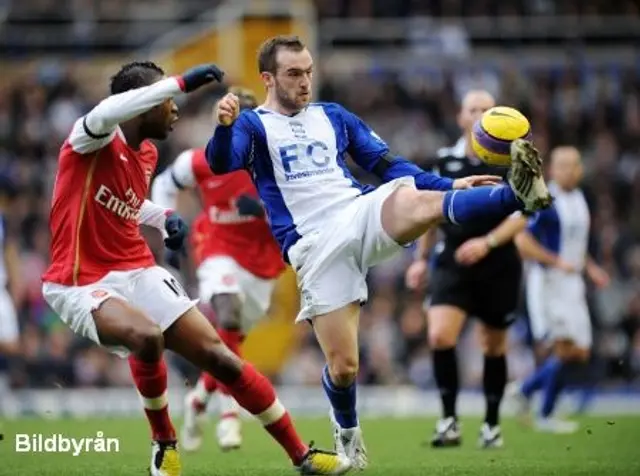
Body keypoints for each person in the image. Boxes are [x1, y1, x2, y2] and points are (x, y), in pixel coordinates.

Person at [205, 35, 552, 469]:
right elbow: (221, 161)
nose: (305, 81)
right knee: (345, 366)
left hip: (358, 210)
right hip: (313, 244)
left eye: (309, 71)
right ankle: (347, 432)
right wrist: (222, 127)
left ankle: (517, 197)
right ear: (268, 79)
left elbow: (387, 165)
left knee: (408, 197)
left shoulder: (333, 116)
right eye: (294, 74)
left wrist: (447, 184)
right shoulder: (252, 125)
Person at [40, 61, 351, 476]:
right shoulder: (90, 135)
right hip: (78, 281)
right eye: (167, 101)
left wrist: (162, 217)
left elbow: (127, 203)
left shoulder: (148, 152)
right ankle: (164, 444)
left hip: (137, 268)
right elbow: (109, 112)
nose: (174, 110)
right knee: (147, 336)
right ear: (139, 105)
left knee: (222, 359)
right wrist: (184, 82)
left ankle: (301, 456)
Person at [151, 87, 286, 452]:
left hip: (262, 264)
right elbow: (164, 183)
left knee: (230, 343)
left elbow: (303, 209)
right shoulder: (201, 161)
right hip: (216, 250)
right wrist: (170, 230)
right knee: (227, 311)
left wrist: (263, 211)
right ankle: (230, 414)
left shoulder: (274, 163)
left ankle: (198, 400)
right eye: (228, 122)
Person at [405, 90, 528, 449]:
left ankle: (491, 424)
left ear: (499, 116)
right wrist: (420, 260)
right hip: (453, 257)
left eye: (487, 109)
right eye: (472, 109)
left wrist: (487, 243)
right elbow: (429, 212)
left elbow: (525, 215)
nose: (479, 115)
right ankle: (449, 420)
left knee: (493, 345)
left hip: (499, 261)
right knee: (440, 335)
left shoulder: (513, 162)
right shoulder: (443, 161)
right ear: (461, 117)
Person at [508, 146, 610, 433]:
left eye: (573, 165)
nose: (568, 170)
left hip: (573, 283)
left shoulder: (578, 199)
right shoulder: (544, 200)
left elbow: (574, 243)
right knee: (565, 350)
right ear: (551, 169)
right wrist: (557, 262)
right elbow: (523, 243)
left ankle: (526, 391)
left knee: (580, 352)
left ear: (580, 169)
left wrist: (591, 268)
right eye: (562, 165)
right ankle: (544, 412)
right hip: (550, 283)